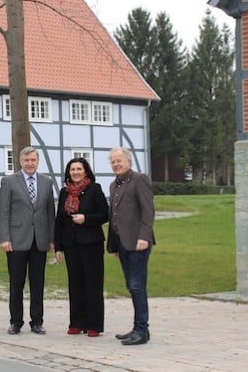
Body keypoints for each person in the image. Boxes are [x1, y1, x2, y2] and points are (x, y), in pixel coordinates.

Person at [0, 146, 55, 335]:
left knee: (37, 283)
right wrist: (4, 238)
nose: (30, 163)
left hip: (40, 241)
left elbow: (49, 213)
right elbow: (3, 212)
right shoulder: (9, 181)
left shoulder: (46, 182)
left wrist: (51, 239)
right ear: (20, 162)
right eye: (27, 160)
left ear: (38, 162)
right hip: (16, 240)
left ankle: (37, 321)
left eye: (33, 160)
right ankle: (16, 321)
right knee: (16, 283)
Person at [54, 158, 109, 337]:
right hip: (70, 244)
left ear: (86, 171)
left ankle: (94, 325)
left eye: (79, 169)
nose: (75, 172)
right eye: (72, 169)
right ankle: (77, 322)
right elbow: (59, 221)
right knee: (75, 283)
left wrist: (86, 218)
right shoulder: (64, 192)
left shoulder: (95, 189)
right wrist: (58, 247)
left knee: (92, 283)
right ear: (68, 172)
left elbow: (104, 214)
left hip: (91, 243)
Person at [107, 147, 156, 346]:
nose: (116, 164)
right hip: (122, 244)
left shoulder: (140, 180)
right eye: (112, 161)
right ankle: (139, 328)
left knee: (137, 287)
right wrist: (114, 246)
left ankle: (141, 330)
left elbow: (148, 210)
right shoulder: (113, 185)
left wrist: (144, 237)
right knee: (131, 286)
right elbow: (114, 216)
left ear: (129, 161)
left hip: (138, 243)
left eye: (119, 160)